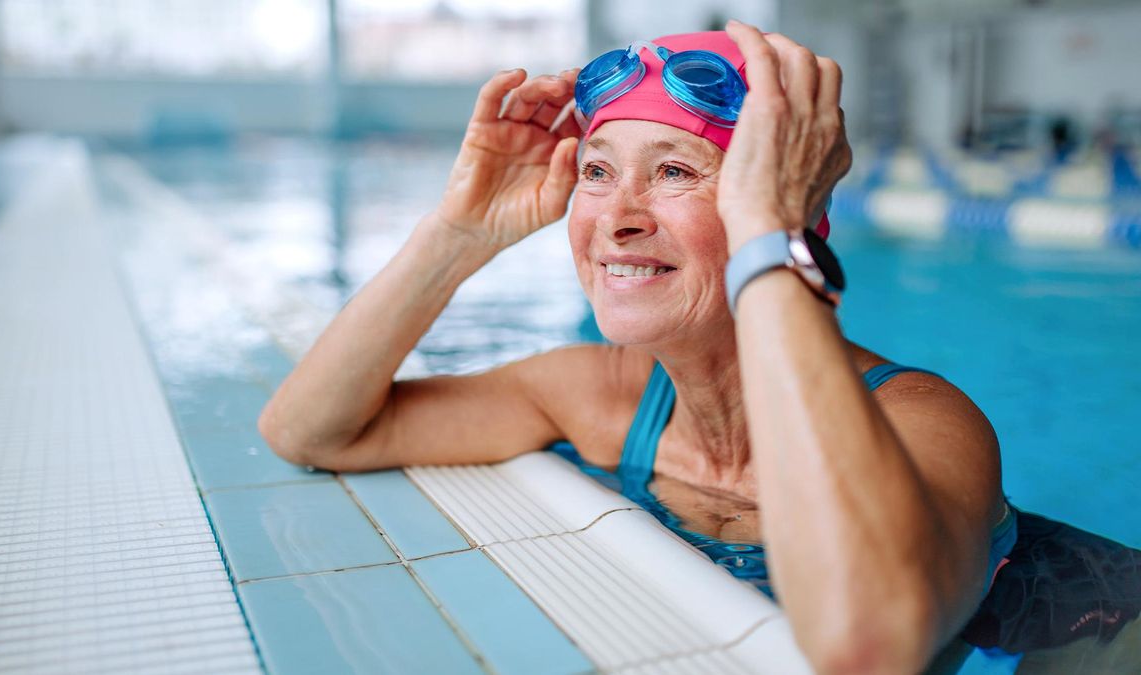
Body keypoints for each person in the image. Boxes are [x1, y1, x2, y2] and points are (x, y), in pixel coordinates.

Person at [259, 22, 1014, 674]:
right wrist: (460, 235)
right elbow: (311, 431)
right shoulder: (603, 394)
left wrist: (768, 232)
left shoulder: (923, 421)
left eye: (675, 171)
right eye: (597, 171)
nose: (617, 217)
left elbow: (870, 647)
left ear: (788, 211)